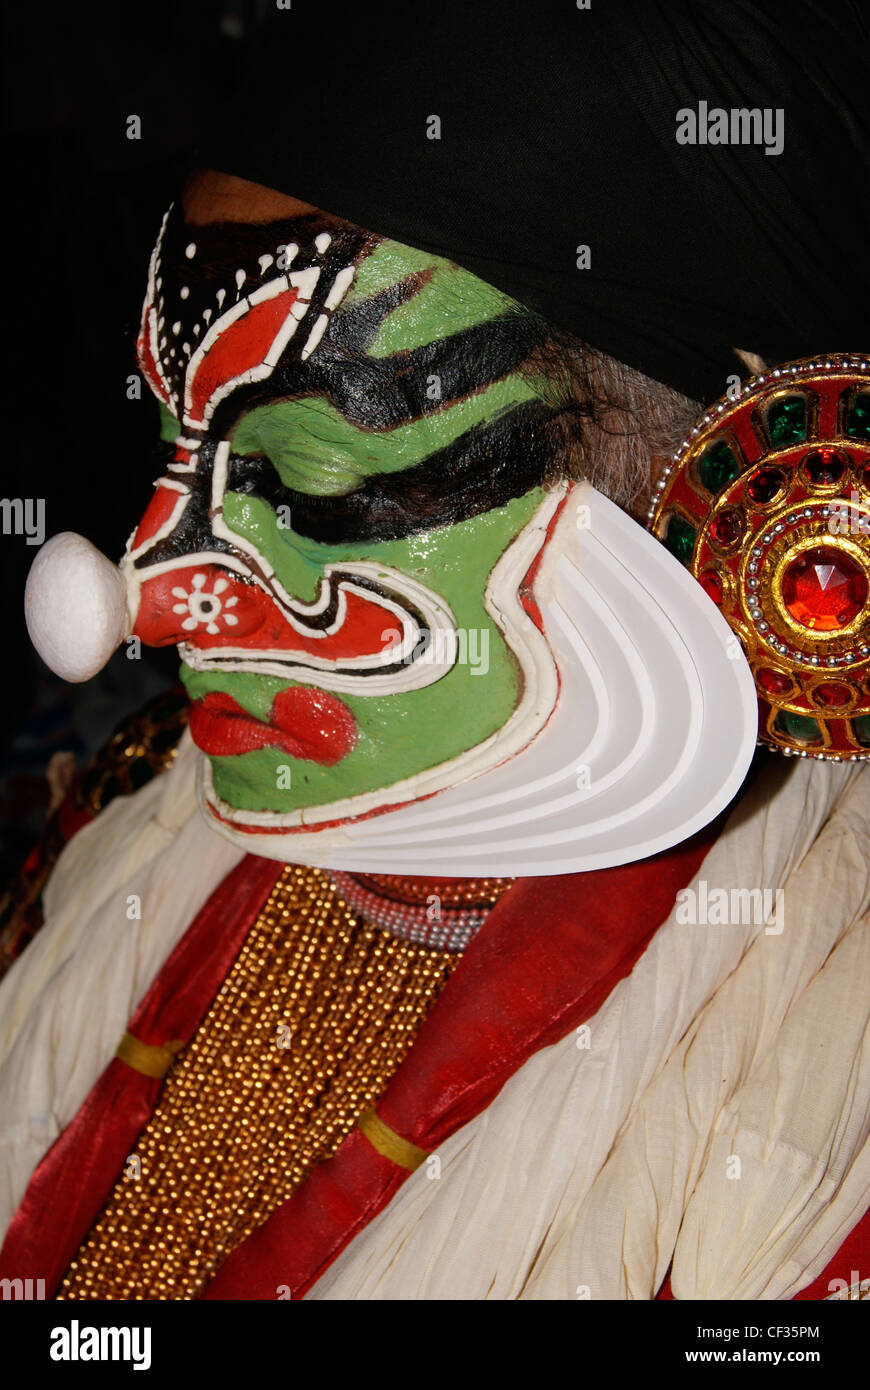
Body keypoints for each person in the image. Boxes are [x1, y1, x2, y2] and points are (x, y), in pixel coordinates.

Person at [1, 0, 868, 1301]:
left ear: (743, 479)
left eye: (306, 476)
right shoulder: (134, 811)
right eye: (183, 457)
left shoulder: (821, 1072)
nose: (140, 596)